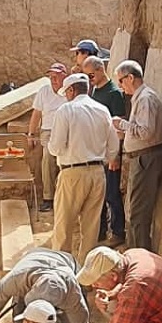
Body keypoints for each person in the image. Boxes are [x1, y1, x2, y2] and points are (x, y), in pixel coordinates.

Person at [48, 72, 120, 261]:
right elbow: (113, 146)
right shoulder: (102, 110)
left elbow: (55, 147)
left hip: (72, 172)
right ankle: (85, 277)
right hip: (97, 173)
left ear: (71, 90)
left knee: (64, 227)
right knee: (91, 228)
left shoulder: (66, 110)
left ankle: (61, 273)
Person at [113, 60, 162, 251]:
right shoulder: (141, 98)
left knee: (139, 214)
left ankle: (140, 257)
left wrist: (122, 124)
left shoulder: (145, 99)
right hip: (141, 158)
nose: (120, 86)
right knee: (135, 212)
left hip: (146, 158)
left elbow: (145, 132)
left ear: (130, 78)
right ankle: (135, 254)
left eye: (121, 81)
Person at [82, 55, 128, 246]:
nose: (89, 80)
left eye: (91, 76)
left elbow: (118, 127)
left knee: (112, 194)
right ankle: (99, 232)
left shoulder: (114, 93)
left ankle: (117, 232)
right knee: (98, 195)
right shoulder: (95, 92)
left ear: (101, 70)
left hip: (109, 152)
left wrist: (115, 155)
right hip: (96, 152)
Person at [28, 62, 68, 213]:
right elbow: (36, 114)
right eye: (51, 76)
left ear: (64, 76)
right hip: (48, 131)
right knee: (48, 158)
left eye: (56, 76)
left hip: (66, 130)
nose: (53, 79)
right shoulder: (44, 91)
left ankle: (64, 197)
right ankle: (48, 197)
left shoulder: (69, 90)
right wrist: (31, 135)